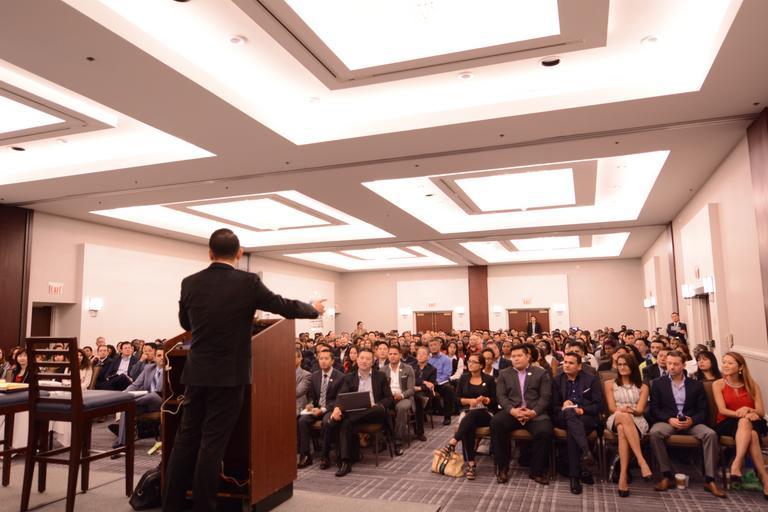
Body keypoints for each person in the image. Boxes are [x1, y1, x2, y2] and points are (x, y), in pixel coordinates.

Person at [163, 229, 324, 512]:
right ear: (239, 253)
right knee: (212, 443)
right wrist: (313, 309)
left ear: (209, 253)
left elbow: (185, 323)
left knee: (186, 439)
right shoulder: (248, 282)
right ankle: (204, 507)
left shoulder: (189, 282)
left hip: (197, 372)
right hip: (229, 375)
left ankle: (172, 505)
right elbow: (283, 306)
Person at [648, 350, 726, 498]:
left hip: (691, 422)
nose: (672, 367)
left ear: (683, 365)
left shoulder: (696, 385)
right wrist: (669, 419)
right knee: (655, 433)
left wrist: (692, 420)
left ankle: (710, 479)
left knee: (710, 434)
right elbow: (654, 409)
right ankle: (667, 475)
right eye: (669, 363)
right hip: (669, 421)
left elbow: (703, 411)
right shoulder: (658, 384)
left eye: (675, 364)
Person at [491, 344, 553, 485]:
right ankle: (502, 468)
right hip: (513, 412)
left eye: (519, 356)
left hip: (534, 413)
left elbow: (545, 397)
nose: (516, 359)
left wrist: (533, 412)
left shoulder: (540, 373)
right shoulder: (504, 373)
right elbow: (501, 396)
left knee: (545, 431)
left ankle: (536, 471)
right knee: (496, 423)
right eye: (513, 356)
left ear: (528, 357)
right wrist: (512, 410)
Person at [712, 351, 768, 497]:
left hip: (753, 421)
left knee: (749, 428)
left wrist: (748, 410)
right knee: (751, 433)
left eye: (730, 363)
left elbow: (761, 411)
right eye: (724, 362)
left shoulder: (752, 384)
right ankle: (764, 478)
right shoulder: (718, 384)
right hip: (727, 421)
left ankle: (736, 464)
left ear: (740, 367)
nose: (725, 365)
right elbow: (722, 410)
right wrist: (743, 414)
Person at [330, 348, 393, 477]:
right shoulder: (349, 377)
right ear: (357, 360)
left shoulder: (380, 376)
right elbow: (341, 397)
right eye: (362, 358)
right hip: (355, 413)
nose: (364, 361)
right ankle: (346, 462)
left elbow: (389, 399)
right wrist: (337, 408)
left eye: (368, 359)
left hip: (374, 413)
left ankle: (347, 418)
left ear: (373, 362)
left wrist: (377, 404)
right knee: (346, 423)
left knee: (375, 409)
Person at [436, 352, 497, 480]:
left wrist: (486, 400)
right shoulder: (463, 378)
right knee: (469, 424)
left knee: (470, 417)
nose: (470, 364)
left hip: (485, 413)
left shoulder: (489, 379)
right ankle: (471, 464)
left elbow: (495, 401)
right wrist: (469, 401)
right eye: (469, 361)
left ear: (481, 365)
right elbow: (456, 400)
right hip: (468, 412)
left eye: (474, 362)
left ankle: (453, 442)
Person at [551, 352, 603, 494]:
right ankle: (586, 453)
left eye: (571, 363)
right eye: (565, 362)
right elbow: (553, 406)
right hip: (563, 416)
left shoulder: (591, 380)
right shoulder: (557, 380)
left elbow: (598, 405)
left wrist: (582, 410)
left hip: (585, 417)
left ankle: (574, 476)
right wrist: (563, 405)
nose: (566, 365)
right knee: (569, 413)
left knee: (572, 431)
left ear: (579, 366)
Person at [604, 353, 651, 497]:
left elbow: (640, 410)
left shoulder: (643, 387)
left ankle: (622, 477)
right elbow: (612, 408)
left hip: (637, 420)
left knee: (622, 429)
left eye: (625, 364)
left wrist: (631, 410)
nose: (622, 367)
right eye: (619, 364)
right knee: (622, 418)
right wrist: (622, 410)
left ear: (632, 366)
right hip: (616, 416)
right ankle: (641, 460)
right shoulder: (609, 384)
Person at [110, 347, 165, 454]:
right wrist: (124, 394)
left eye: (164, 355)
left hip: (160, 401)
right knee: (127, 408)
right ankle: (122, 443)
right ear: (154, 358)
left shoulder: (169, 370)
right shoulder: (148, 368)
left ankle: (127, 401)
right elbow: (135, 385)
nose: (162, 358)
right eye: (159, 355)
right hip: (144, 402)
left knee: (152, 395)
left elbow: (159, 392)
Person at [297, 350, 344, 469]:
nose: (323, 361)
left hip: (331, 408)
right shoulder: (315, 375)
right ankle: (305, 455)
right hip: (316, 408)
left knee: (327, 423)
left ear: (332, 361)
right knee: (302, 421)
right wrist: (310, 404)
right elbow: (312, 396)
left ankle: (325, 456)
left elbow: (339, 399)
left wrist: (323, 409)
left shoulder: (340, 377)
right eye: (321, 358)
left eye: (326, 358)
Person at [382, 345, 415, 456]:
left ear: (400, 355)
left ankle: (398, 441)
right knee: (380, 408)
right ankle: (383, 438)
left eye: (395, 354)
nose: (392, 356)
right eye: (390, 354)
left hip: (404, 397)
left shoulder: (408, 368)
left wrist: (401, 395)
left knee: (401, 408)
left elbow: (411, 389)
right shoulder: (383, 370)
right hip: (389, 397)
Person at [428, 338, 455, 425]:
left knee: (448, 389)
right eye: (431, 345)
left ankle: (447, 417)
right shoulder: (427, 358)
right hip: (427, 383)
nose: (433, 347)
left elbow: (447, 375)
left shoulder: (446, 359)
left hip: (439, 383)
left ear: (440, 346)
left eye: (435, 345)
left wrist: (435, 381)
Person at [413, 346, 436, 442]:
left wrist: (419, 387)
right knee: (415, 398)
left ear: (428, 356)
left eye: (423, 354)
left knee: (418, 400)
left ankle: (420, 432)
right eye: (419, 354)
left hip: (425, 393)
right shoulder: (411, 367)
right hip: (412, 390)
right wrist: (423, 382)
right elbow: (411, 380)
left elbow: (431, 385)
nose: (420, 356)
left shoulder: (432, 369)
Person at [295, 349, 311, 414]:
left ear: (300, 358)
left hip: (297, 406)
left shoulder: (306, 375)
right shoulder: (282, 373)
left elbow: (298, 392)